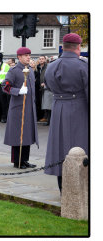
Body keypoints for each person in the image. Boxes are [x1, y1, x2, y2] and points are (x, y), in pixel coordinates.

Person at [44, 33, 88, 193]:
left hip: (58, 108)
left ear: (63, 47)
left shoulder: (51, 66)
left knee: (60, 149)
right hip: (79, 109)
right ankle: (81, 189)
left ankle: (63, 188)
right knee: (81, 147)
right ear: (78, 47)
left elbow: (48, 86)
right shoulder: (83, 65)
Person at [2, 47, 38, 169]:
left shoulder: (31, 70)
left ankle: (25, 160)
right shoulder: (13, 71)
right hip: (18, 108)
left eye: (29, 55)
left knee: (27, 134)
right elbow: (5, 86)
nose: (28, 57)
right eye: (26, 55)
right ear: (19, 57)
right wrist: (18, 91)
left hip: (29, 107)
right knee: (18, 135)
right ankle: (17, 161)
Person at [37, 56, 53, 125]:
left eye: (42, 59)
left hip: (47, 88)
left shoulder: (48, 67)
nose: (41, 60)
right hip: (40, 88)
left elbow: (50, 77)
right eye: (40, 59)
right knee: (44, 105)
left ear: (45, 60)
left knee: (48, 106)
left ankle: (49, 120)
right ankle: (46, 118)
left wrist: (45, 84)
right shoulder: (38, 67)